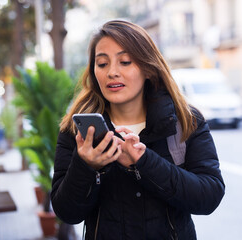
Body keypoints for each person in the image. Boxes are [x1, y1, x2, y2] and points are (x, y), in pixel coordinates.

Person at [51, 20, 225, 239]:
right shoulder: (79, 131)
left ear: (148, 68)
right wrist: (86, 166)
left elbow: (209, 196)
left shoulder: (185, 120)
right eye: (102, 64)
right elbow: (67, 212)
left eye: (125, 62)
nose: (112, 72)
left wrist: (144, 162)